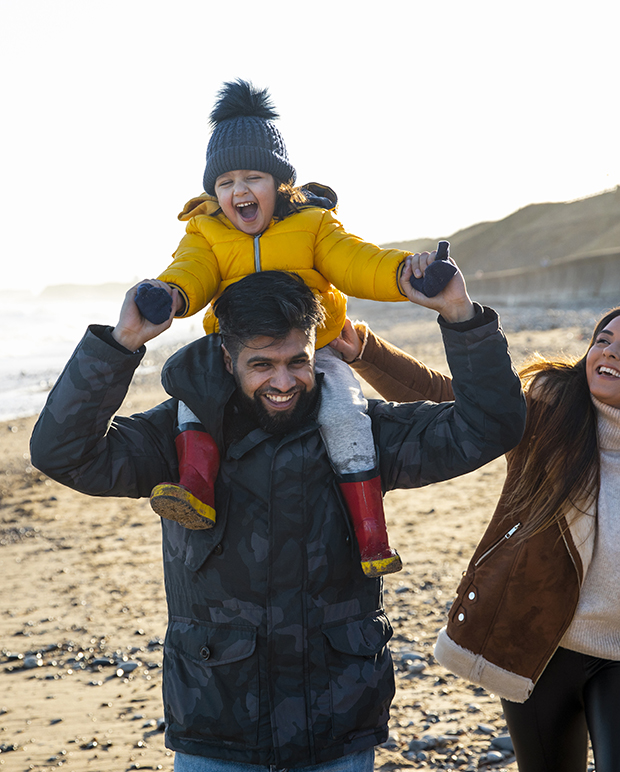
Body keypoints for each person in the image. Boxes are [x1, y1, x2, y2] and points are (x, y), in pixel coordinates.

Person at [29, 262, 526, 771]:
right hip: (217, 722)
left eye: (298, 361)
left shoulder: (362, 432)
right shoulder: (173, 439)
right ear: (227, 357)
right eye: (262, 365)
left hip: (338, 722)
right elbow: (62, 453)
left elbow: (489, 427)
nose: (284, 382)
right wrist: (122, 343)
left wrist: (461, 316)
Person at [332, 301, 620, 772]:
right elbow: (456, 401)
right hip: (535, 647)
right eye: (603, 340)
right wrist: (366, 351)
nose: (608, 352)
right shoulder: (544, 417)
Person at [135, 78, 454, 578]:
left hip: (312, 347)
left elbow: (357, 261)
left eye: (252, 177)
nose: (238, 191)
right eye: (224, 183)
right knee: (193, 397)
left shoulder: (312, 224)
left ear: (279, 182)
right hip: (235, 351)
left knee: (347, 414)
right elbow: (190, 271)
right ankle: (195, 490)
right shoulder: (206, 231)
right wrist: (170, 295)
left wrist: (403, 272)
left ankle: (372, 534)